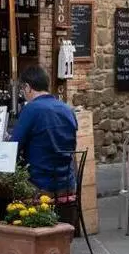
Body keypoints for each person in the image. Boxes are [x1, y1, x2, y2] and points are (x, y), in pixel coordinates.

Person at [10, 65, 78, 194]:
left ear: (28, 87)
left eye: (22, 90)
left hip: (40, 186)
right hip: (68, 184)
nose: (23, 94)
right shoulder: (68, 110)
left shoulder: (31, 109)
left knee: (1, 189)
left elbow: (13, 147)